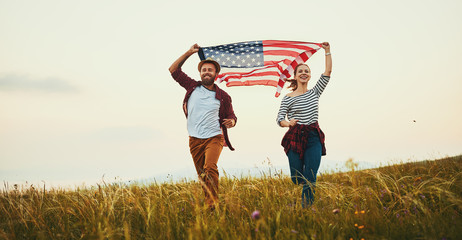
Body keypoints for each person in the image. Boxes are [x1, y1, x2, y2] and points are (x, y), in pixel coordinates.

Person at [169, 44, 237, 209]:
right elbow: (173, 70)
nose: (206, 72)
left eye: (210, 70)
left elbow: (232, 116)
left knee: (210, 167)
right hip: (194, 139)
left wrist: (232, 122)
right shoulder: (192, 87)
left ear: (216, 74)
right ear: (200, 73)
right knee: (202, 175)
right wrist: (189, 53)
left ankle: (213, 203)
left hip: (214, 137)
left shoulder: (223, 96)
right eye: (204, 70)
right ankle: (210, 205)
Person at [276, 42, 332, 208]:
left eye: (306, 71)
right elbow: (279, 118)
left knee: (311, 175)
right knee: (297, 177)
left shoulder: (315, 92)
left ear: (309, 76)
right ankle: (303, 193)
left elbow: (327, 72)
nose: (304, 73)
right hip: (295, 136)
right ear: (295, 76)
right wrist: (288, 123)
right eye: (300, 71)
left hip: (313, 136)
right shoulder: (288, 97)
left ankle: (306, 208)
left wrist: (327, 51)